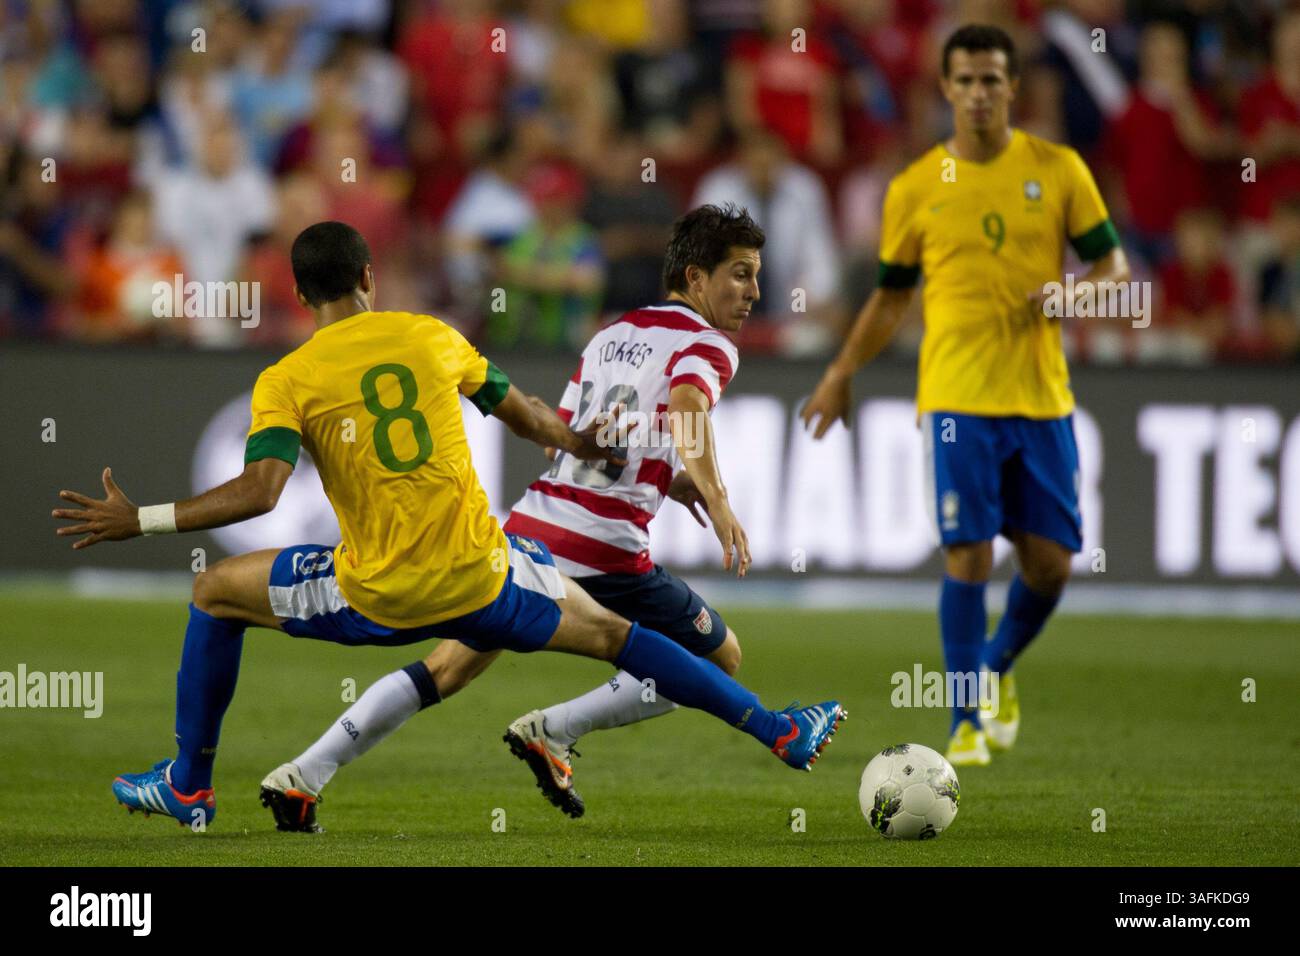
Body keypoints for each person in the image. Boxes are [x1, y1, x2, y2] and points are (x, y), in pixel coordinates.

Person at [52, 220, 843, 830]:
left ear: (300, 297)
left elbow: (261, 493)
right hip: (485, 573)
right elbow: (528, 414)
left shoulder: (286, 377)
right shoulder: (432, 335)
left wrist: (144, 518)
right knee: (618, 640)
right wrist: (583, 446)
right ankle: (775, 731)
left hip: (375, 593)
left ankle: (191, 782)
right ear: (370, 276)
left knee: (215, 590)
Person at [259, 205, 780, 828]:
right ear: (695, 279)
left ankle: (305, 773)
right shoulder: (709, 343)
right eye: (741, 275)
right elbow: (689, 403)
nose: (754, 293)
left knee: (446, 669)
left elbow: (570, 438)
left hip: (533, 526)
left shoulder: (611, 334)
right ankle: (555, 729)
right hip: (604, 546)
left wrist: (672, 478)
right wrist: (719, 502)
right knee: (716, 657)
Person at [801, 25, 1130, 767]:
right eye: (966, 81)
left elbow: (1114, 266)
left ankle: (994, 669)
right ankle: (964, 721)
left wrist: (1073, 293)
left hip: (1041, 397)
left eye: (992, 80)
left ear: (1013, 88)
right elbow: (889, 299)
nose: (979, 93)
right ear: (945, 90)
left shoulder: (1060, 168)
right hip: (954, 399)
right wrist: (840, 371)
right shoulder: (915, 188)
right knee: (967, 554)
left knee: (1049, 567)